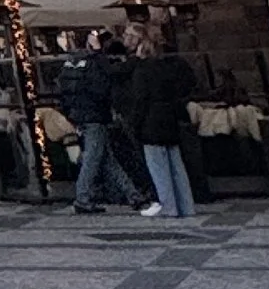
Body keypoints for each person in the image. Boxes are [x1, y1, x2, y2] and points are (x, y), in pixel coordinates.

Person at [121, 29, 200, 217]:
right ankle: (186, 206)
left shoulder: (142, 71)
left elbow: (141, 100)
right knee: (176, 166)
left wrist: (133, 123)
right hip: (169, 119)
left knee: (159, 168)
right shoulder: (167, 68)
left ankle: (168, 207)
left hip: (151, 122)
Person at [66, 30, 144, 214]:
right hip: (94, 116)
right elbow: (105, 84)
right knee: (93, 158)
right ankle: (82, 198)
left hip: (81, 115)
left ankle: (133, 194)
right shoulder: (95, 62)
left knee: (107, 159)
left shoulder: (73, 61)